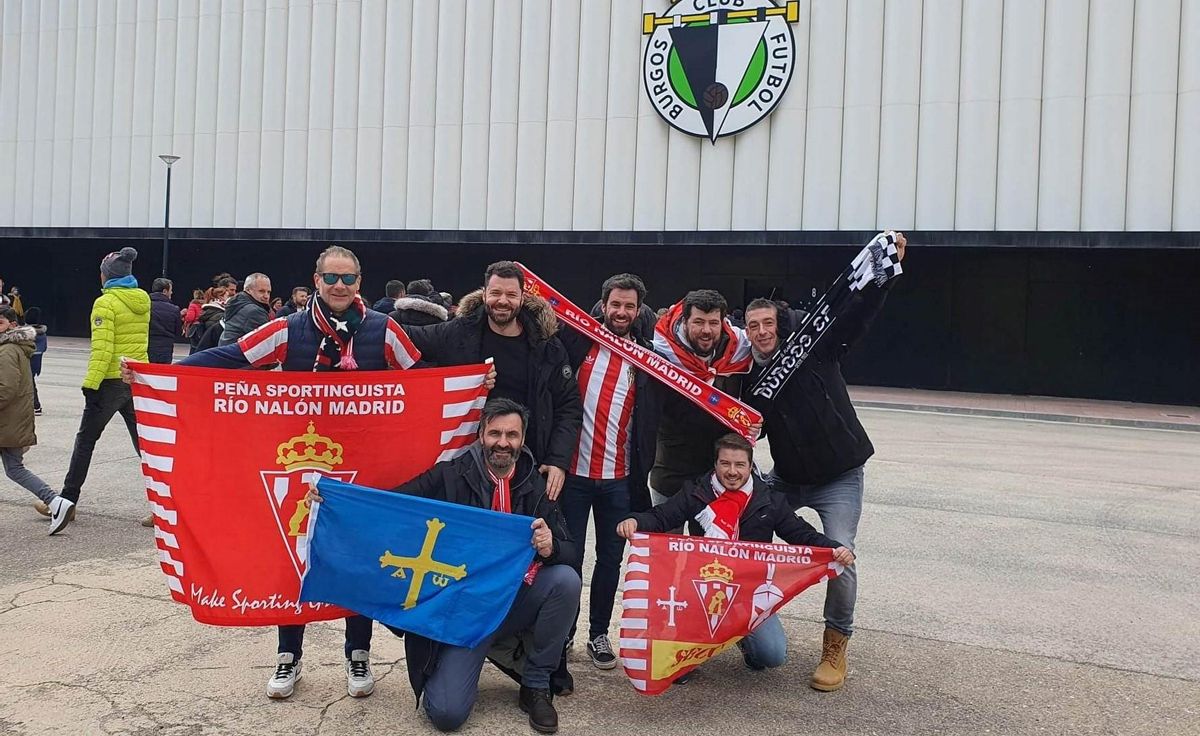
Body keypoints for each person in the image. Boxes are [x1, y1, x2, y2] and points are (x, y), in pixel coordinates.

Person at [155, 245, 425, 701]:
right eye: (331, 278)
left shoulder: (384, 331)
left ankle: (357, 653)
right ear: (316, 280)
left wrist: (477, 382)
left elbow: (423, 381)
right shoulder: (287, 329)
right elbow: (231, 359)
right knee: (294, 557)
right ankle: (288, 656)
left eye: (348, 278)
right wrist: (163, 374)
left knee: (357, 559)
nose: (340, 286)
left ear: (360, 282)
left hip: (363, 469)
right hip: (304, 466)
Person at [308, 398, 579, 734]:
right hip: (461, 612)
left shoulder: (536, 484)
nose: (503, 442)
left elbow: (571, 550)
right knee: (446, 715)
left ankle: (536, 684)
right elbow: (393, 507)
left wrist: (550, 547)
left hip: (512, 603)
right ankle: (481, 651)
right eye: (495, 433)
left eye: (512, 434)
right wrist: (335, 501)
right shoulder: (451, 475)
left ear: (523, 440)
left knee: (565, 580)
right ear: (481, 435)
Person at [740, 231, 906, 692]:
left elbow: (857, 315)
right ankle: (750, 625)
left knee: (839, 553)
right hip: (788, 478)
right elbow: (745, 432)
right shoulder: (753, 385)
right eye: (753, 326)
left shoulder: (816, 349)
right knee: (742, 531)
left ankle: (836, 643)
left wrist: (883, 278)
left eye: (767, 323)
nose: (761, 332)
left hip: (839, 477)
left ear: (780, 323)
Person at [616, 433, 855, 673]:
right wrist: (635, 521)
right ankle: (699, 644)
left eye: (740, 464)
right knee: (677, 670)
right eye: (725, 463)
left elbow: (801, 534)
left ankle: (741, 637)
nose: (732, 471)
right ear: (715, 464)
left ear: (750, 466)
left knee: (770, 655)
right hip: (702, 589)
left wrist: (834, 548)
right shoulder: (697, 492)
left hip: (749, 595)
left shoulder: (768, 499)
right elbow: (662, 516)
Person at [405, 261, 582, 501]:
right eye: (496, 293)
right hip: (466, 468)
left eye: (511, 294)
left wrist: (558, 460)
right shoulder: (458, 332)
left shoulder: (547, 345)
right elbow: (405, 339)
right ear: (485, 293)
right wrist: (457, 377)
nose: (502, 301)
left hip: (527, 467)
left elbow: (568, 405)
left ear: (522, 298)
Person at [556, 273, 660, 670]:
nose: (621, 312)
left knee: (610, 560)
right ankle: (563, 632)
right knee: (569, 559)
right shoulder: (578, 341)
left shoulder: (647, 358)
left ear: (638, 310)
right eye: (615, 304)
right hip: (573, 476)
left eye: (629, 306)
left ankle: (598, 634)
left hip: (619, 480)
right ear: (602, 304)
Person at [48, 248, 148, 525]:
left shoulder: (105, 303)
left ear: (107, 275)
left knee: (85, 442)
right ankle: (167, 502)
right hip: (135, 378)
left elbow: (102, 349)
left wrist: (90, 384)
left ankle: (66, 502)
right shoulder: (143, 301)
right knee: (146, 446)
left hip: (109, 382)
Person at [649, 289, 752, 505]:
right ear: (685, 321)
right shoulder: (660, 353)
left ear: (723, 322)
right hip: (669, 473)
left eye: (713, 323)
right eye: (698, 322)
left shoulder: (740, 350)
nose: (706, 330)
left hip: (716, 479)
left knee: (712, 539)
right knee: (665, 538)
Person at [0, 307, 74, 535]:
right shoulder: (16, 348)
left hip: (7, 420)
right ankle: (56, 502)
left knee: (15, 469)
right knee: (15, 469)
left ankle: (55, 502)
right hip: (13, 419)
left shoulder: (7, 351)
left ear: (12, 325)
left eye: (0, 322)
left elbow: (6, 389)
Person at [218, 273, 271, 346]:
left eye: (268, 292)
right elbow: (266, 345)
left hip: (227, 353)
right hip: (237, 356)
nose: (266, 296)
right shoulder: (254, 311)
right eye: (261, 291)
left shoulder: (237, 304)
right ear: (248, 290)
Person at [148, 278, 182, 364]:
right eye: (170, 290)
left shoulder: (145, 306)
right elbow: (178, 332)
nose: (172, 293)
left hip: (147, 346)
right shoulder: (174, 309)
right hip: (165, 349)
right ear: (164, 291)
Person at [23, 306, 47, 415]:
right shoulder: (42, 333)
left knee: (28, 384)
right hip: (36, 364)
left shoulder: (25, 333)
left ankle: (36, 405)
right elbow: (43, 348)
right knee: (30, 383)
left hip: (26, 362)